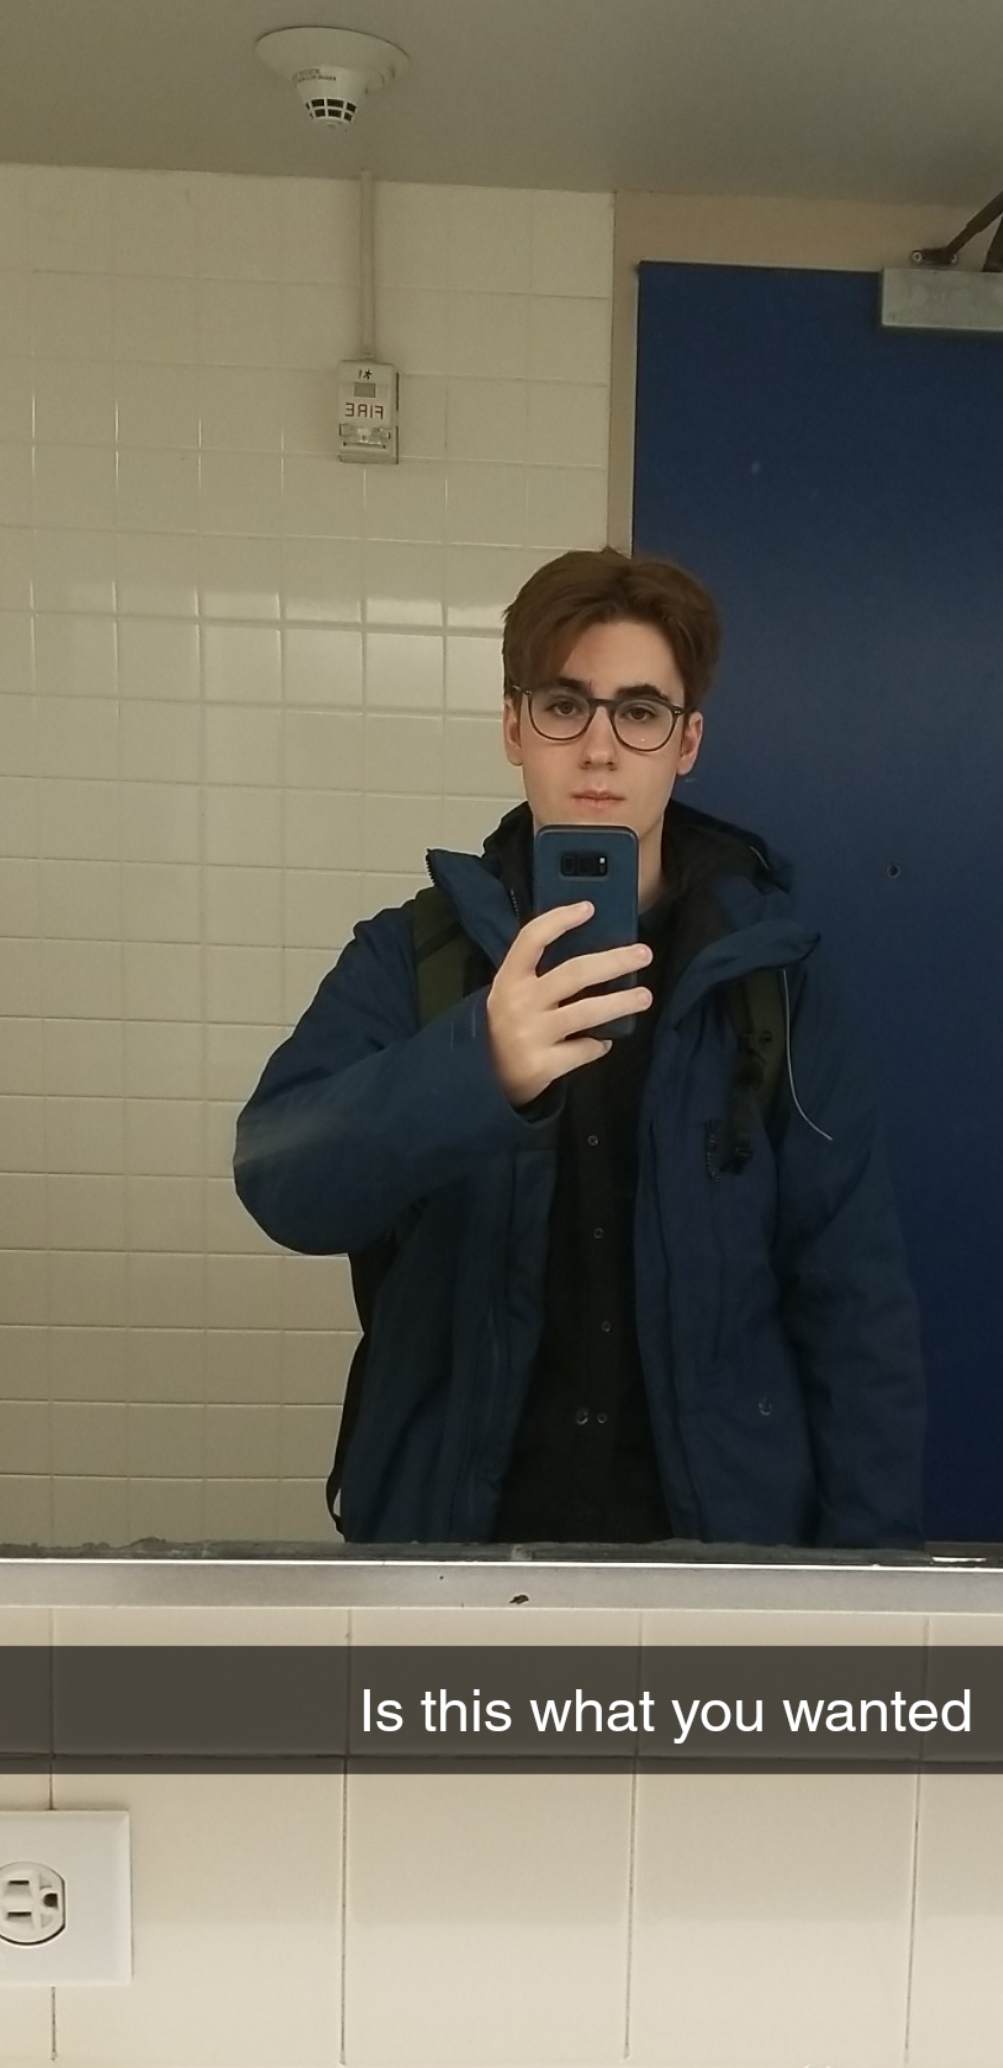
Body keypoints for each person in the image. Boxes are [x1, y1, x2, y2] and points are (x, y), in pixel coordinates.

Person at [233, 547, 925, 1548]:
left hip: (716, 1560)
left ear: (686, 743)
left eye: (639, 712)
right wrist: (476, 1068)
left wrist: (865, 1589)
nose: (600, 749)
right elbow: (279, 1181)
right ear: (514, 726)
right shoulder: (413, 958)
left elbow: (856, 1307)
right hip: (454, 1551)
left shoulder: (774, 982)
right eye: (565, 705)